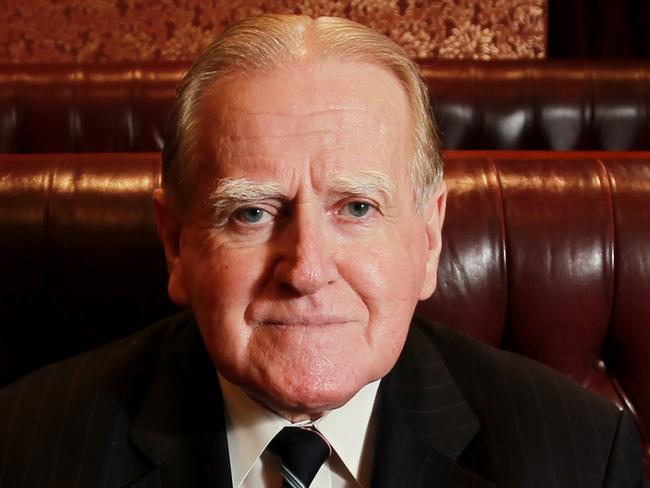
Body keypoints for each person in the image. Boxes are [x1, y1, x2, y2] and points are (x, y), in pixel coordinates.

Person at [0, 14, 645, 488]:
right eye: (252, 213)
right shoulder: (27, 449)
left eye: (357, 208)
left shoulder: (582, 457)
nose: (306, 269)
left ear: (429, 238)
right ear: (177, 244)